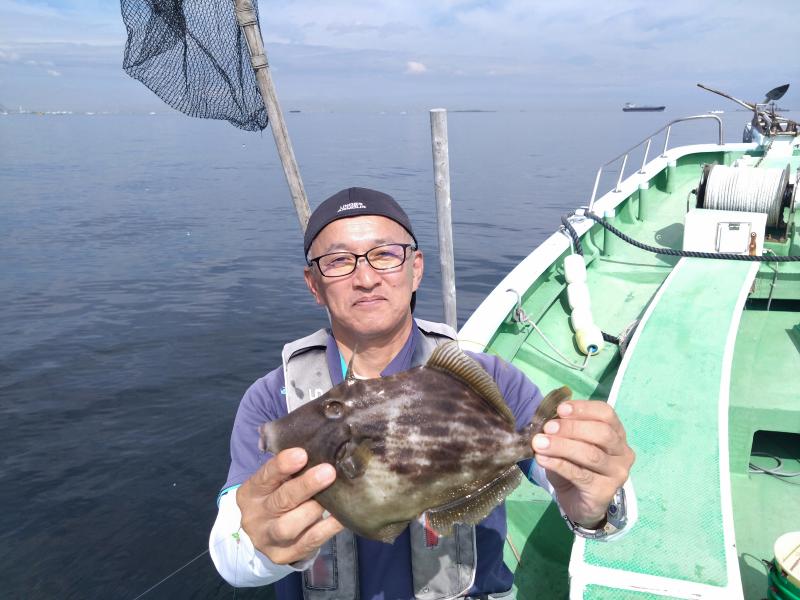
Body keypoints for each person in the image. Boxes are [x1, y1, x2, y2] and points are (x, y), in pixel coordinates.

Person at [209, 187, 635, 599]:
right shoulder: (273, 400)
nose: (365, 278)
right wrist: (256, 545)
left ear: (415, 268)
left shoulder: (492, 379)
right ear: (314, 284)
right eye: (338, 261)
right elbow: (231, 556)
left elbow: (572, 484)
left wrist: (596, 507)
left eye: (384, 255)